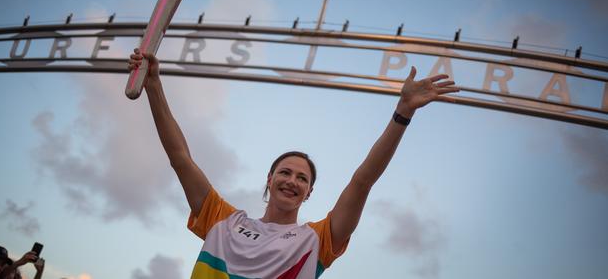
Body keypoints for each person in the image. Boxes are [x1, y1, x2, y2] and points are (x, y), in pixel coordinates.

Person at [128, 49, 459, 278]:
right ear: (268, 180)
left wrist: (403, 113)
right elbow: (180, 157)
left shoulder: (318, 240)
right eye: (285, 172)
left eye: (302, 178)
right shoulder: (222, 220)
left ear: (309, 192)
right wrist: (155, 86)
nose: (292, 180)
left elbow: (362, 181)